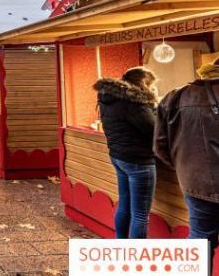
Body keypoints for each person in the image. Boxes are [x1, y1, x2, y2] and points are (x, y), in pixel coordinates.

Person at [155, 58, 219, 269]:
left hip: (194, 184)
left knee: (200, 238)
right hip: (196, 182)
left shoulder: (175, 97)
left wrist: (185, 168)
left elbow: (160, 146)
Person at [93, 67, 158, 239]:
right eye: (150, 85)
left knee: (124, 205)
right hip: (139, 161)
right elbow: (154, 131)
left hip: (118, 156)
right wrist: (152, 106)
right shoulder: (135, 104)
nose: (151, 89)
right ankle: (135, 259)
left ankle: (121, 245)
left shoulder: (109, 98)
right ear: (143, 82)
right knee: (140, 215)